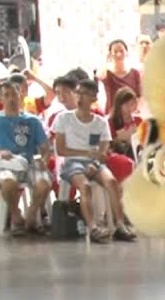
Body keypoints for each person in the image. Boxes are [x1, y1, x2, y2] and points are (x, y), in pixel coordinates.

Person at [53, 79, 136, 242]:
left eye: (85, 94)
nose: (80, 97)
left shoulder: (100, 122)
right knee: (85, 186)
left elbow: (104, 149)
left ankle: (120, 225)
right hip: (72, 162)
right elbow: (61, 149)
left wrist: (95, 162)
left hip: (95, 163)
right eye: (78, 93)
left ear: (93, 98)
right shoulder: (64, 118)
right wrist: (87, 153)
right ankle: (93, 228)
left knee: (112, 182)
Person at [0, 79, 51, 234]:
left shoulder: (33, 120)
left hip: (29, 162)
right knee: (8, 183)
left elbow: (45, 148)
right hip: (6, 164)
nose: (11, 99)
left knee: (44, 183)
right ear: (1, 99)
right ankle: (16, 215)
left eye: (14, 95)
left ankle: (32, 213)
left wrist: (43, 160)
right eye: (7, 95)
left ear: (21, 95)